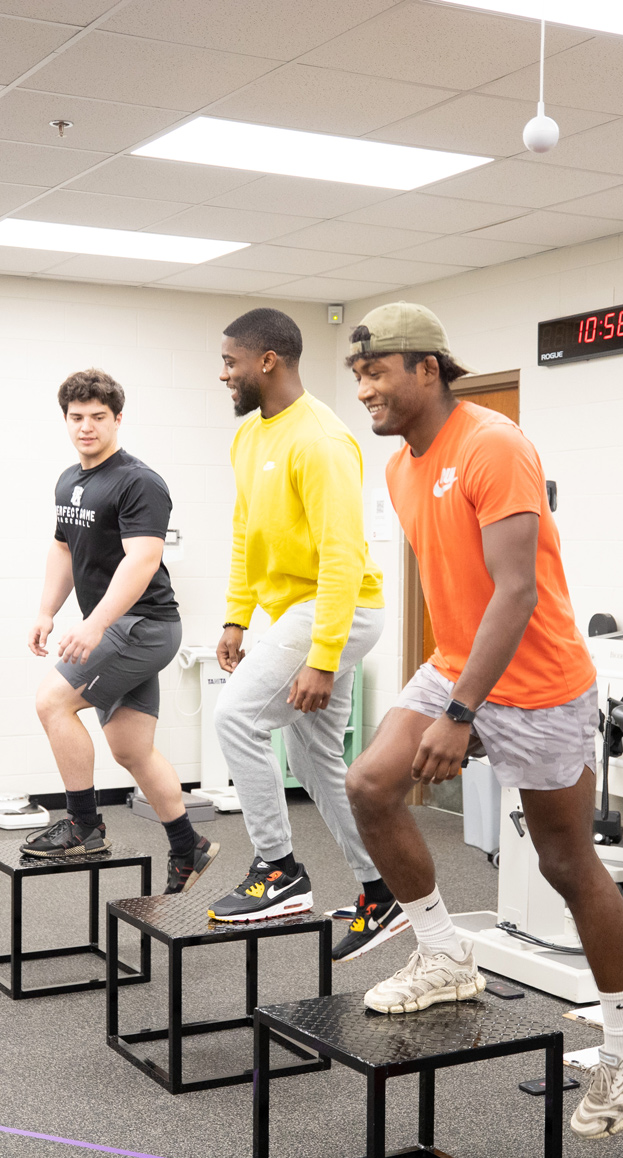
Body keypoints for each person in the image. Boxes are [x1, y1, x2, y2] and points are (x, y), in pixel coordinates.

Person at [343, 302, 623, 1141]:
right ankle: (444, 953)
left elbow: (517, 591)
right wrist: (450, 694)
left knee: (566, 862)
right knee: (371, 784)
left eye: (376, 372)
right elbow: (456, 592)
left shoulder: (494, 445)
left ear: (427, 368)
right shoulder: (401, 469)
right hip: (458, 661)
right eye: (358, 376)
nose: (366, 390)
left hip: (540, 684)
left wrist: (461, 715)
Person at [205, 308, 395, 963]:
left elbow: (342, 556)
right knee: (315, 760)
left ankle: (278, 869)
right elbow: (245, 531)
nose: (223, 374)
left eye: (230, 362)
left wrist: (323, 657)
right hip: (300, 613)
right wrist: (236, 616)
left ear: (267, 361)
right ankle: (382, 890)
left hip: (339, 609)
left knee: (236, 716)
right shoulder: (250, 437)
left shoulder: (320, 440)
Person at [24, 369, 217, 894]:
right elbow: (62, 548)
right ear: (66, 420)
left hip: (143, 625)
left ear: (117, 419)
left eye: (98, 417)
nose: (86, 427)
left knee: (52, 702)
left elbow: (143, 559)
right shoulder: (69, 480)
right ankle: (188, 845)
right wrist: (46, 610)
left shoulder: (138, 481)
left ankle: (84, 826)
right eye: (76, 417)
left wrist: (94, 624)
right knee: (131, 748)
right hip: (123, 627)